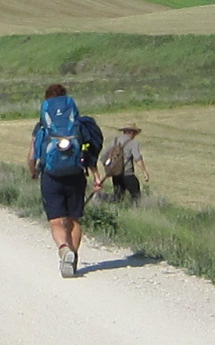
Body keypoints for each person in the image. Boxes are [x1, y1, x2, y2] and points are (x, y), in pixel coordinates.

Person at [29, 83, 92, 277]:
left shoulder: (42, 127)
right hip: (76, 174)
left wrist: (33, 171)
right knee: (74, 219)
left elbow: (32, 155)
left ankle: (64, 250)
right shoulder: (76, 124)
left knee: (56, 220)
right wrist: (95, 173)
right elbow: (89, 149)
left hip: (51, 176)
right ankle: (73, 256)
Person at [98, 122, 149, 202]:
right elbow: (138, 158)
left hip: (116, 174)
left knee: (118, 197)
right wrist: (144, 172)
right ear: (132, 132)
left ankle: (101, 199)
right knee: (136, 196)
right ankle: (135, 209)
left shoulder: (114, 141)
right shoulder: (133, 143)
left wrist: (110, 167)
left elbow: (103, 157)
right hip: (128, 174)